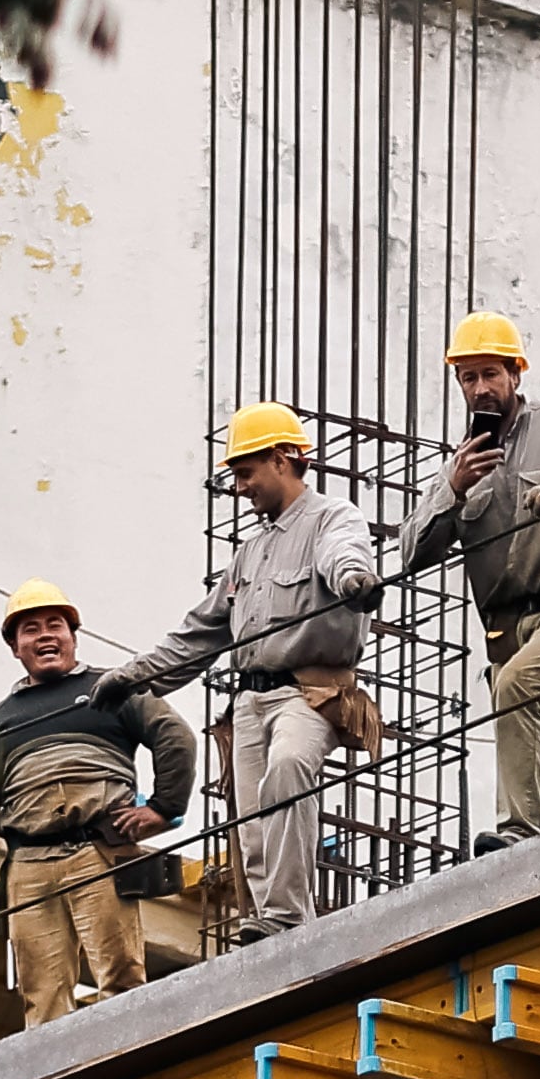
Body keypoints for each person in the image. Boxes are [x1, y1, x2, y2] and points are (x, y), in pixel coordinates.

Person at [93, 403, 383, 944]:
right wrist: (131, 676)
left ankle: (288, 917)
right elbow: (200, 633)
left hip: (308, 693)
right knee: (250, 819)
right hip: (250, 702)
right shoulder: (250, 553)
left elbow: (343, 556)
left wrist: (353, 581)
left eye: (246, 473)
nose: (240, 488)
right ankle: (269, 922)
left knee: (289, 768)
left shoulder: (331, 518)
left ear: (282, 459)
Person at [401, 311, 540, 854]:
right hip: (507, 628)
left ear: (515, 374)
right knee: (532, 714)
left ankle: (520, 834)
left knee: (517, 687)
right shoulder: (459, 464)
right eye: (468, 377)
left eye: (490, 374)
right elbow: (411, 552)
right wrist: (453, 490)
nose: (480, 388)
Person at [0, 579, 199, 1025]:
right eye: (31, 629)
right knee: (41, 994)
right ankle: (57, 1069)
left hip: (97, 850)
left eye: (55, 624)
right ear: (15, 647)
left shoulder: (110, 689)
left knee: (120, 976)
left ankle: (127, 1060)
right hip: (28, 865)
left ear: (74, 636)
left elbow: (174, 737)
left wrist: (163, 808)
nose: (46, 635)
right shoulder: (0, 718)